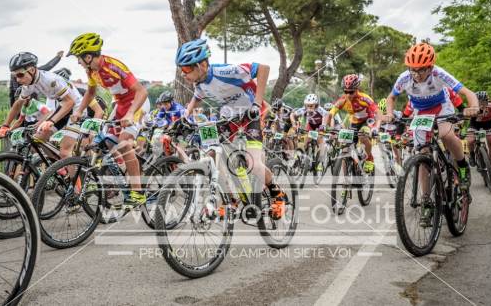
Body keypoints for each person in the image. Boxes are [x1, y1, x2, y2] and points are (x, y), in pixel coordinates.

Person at [176, 38, 285, 218]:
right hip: (229, 117)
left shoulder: (226, 71)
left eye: (186, 69)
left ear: (202, 65)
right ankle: (231, 200)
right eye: (181, 69)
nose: (182, 74)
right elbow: (196, 98)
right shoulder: (199, 83)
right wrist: (184, 118)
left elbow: (264, 68)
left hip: (251, 115)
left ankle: (277, 195)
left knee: (253, 163)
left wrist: (257, 103)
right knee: (211, 156)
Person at [383, 42, 479, 227]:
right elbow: (391, 97)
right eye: (413, 70)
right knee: (422, 155)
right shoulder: (404, 78)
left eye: (421, 70)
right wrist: (388, 113)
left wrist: (472, 107)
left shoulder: (439, 73)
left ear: (431, 66)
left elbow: (467, 92)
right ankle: (426, 201)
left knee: (445, 134)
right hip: (421, 112)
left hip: (442, 107)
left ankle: (462, 167)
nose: (417, 74)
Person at [67, 33, 150, 208]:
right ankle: (128, 169)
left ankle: (138, 192)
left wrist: (130, 114)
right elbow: (90, 93)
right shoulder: (91, 71)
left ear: (88, 56)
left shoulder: (113, 66)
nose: (78, 62)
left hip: (137, 104)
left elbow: (142, 91)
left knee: (124, 143)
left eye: (79, 58)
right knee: (107, 141)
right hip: (119, 104)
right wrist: (79, 111)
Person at [0, 52, 82, 159]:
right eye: (15, 76)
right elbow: (18, 104)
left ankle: (73, 172)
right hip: (63, 107)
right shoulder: (29, 84)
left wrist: (50, 121)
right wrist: (5, 125)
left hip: (76, 108)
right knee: (36, 140)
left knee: (65, 152)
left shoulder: (50, 80)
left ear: (32, 70)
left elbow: (70, 102)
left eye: (20, 75)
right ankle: (58, 168)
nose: (18, 80)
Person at [328, 74, 380, 173]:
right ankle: (346, 183)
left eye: (351, 92)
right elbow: (330, 114)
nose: (348, 94)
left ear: (356, 89)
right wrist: (325, 126)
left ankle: (369, 159)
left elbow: (378, 112)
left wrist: (376, 127)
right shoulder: (342, 100)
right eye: (345, 91)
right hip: (354, 123)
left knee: (362, 136)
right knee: (344, 151)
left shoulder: (364, 98)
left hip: (367, 121)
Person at [467, 91, 491, 179]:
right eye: (480, 102)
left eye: (484, 102)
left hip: (488, 124)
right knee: (470, 140)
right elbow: (465, 116)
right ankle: (471, 155)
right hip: (474, 125)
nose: (482, 104)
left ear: (487, 100)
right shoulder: (472, 107)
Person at [290, 94, 329, 172]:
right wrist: (294, 123)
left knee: (320, 141)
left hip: (319, 126)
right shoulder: (304, 109)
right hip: (310, 125)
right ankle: (303, 156)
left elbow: (326, 115)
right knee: (305, 141)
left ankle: (320, 162)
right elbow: (292, 115)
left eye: (311, 106)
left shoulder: (320, 109)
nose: (309, 107)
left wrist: (324, 125)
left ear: (316, 105)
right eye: (307, 105)